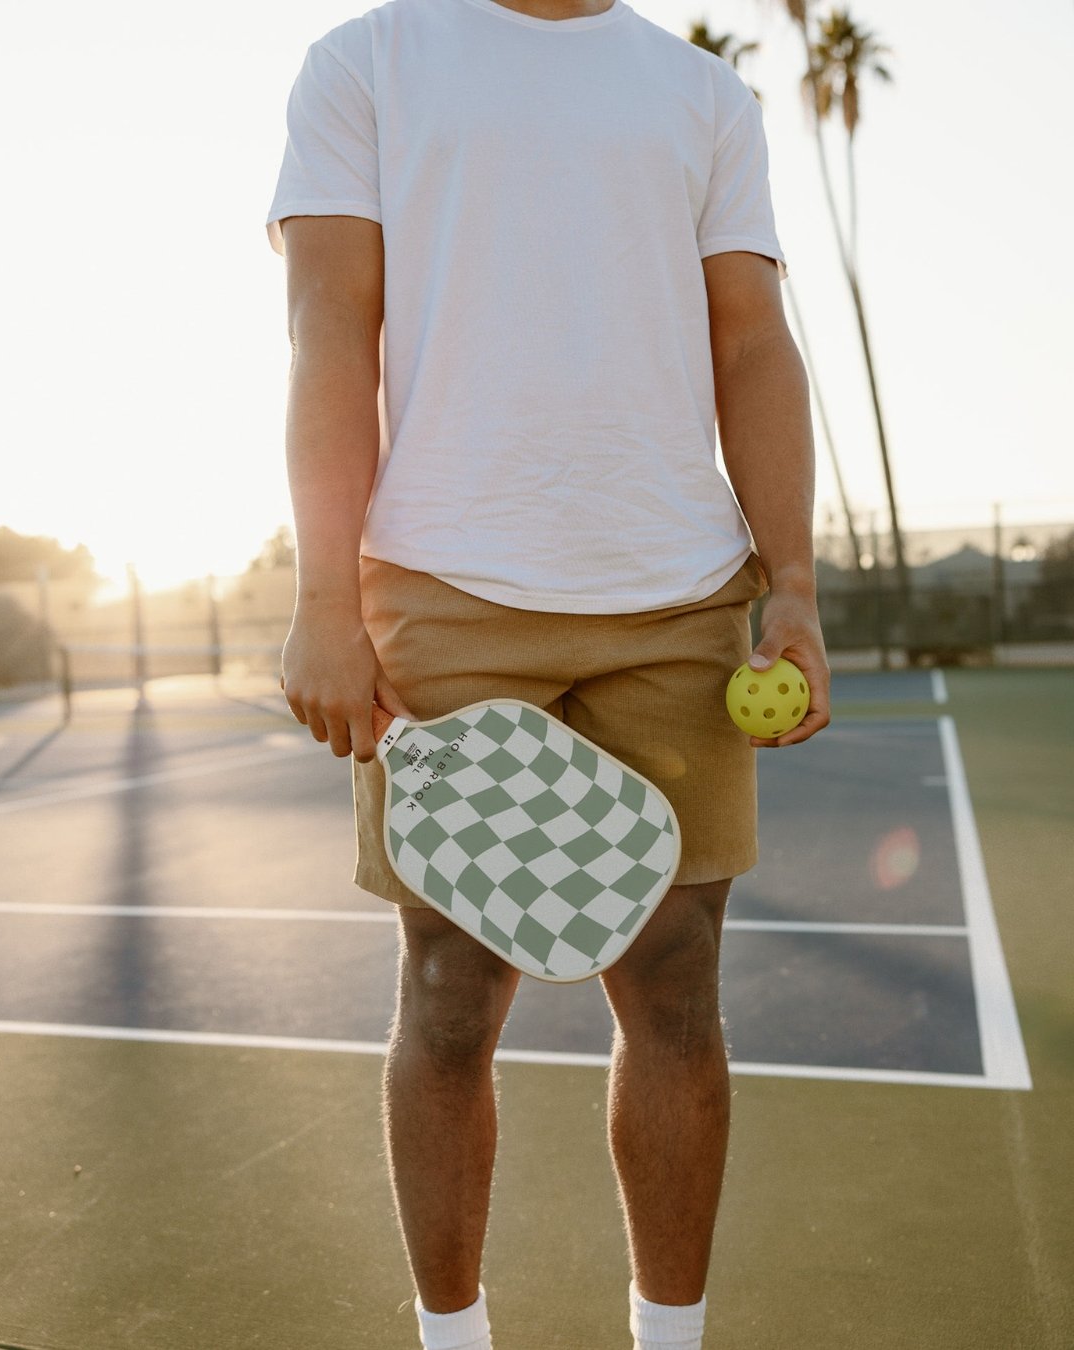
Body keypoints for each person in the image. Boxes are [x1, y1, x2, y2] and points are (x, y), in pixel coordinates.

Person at [265, 0, 830, 1346]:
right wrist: (320, 595)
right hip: (443, 590)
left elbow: (751, 339)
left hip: (679, 599)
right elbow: (327, 327)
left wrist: (793, 578)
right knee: (450, 990)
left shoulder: (704, 97)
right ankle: (453, 1338)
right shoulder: (364, 65)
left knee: (679, 978)